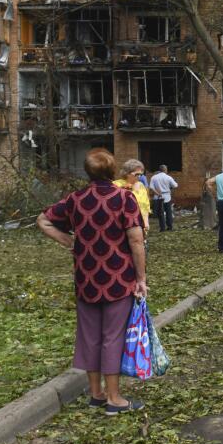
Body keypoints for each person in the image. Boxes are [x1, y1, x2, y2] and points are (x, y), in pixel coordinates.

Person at [37, 148, 148, 415]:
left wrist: (67, 240)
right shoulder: (125, 199)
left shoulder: (75, 199)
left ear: (87, 172)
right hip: (118, 278)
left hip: (86, 279)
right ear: (112, 171)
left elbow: (43, 220)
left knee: (89, 335)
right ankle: (114, 399)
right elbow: (135, 240)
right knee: (113, 336)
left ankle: (96, 394)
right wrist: (141, 278)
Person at [113, 159, 151, 235]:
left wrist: (146, 222)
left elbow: (146, 205)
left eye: (141, 174)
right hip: (123, 224)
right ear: (127, 173)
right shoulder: (116, 185)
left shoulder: (141, 185)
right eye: (136, 174)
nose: (139, 177)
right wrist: (133, 190)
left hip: (140, 224)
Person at [149, 164, 178, 232]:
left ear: (159, 170)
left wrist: (156, 192)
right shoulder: (168, 177)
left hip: (158, 197)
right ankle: (170, 227)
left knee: (160, 213)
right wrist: (170, 187)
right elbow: (175, 185)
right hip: (167, 196)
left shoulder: (154, 177)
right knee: (168, 212)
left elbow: (151, 187)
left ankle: (162, 228)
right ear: (165, 170)